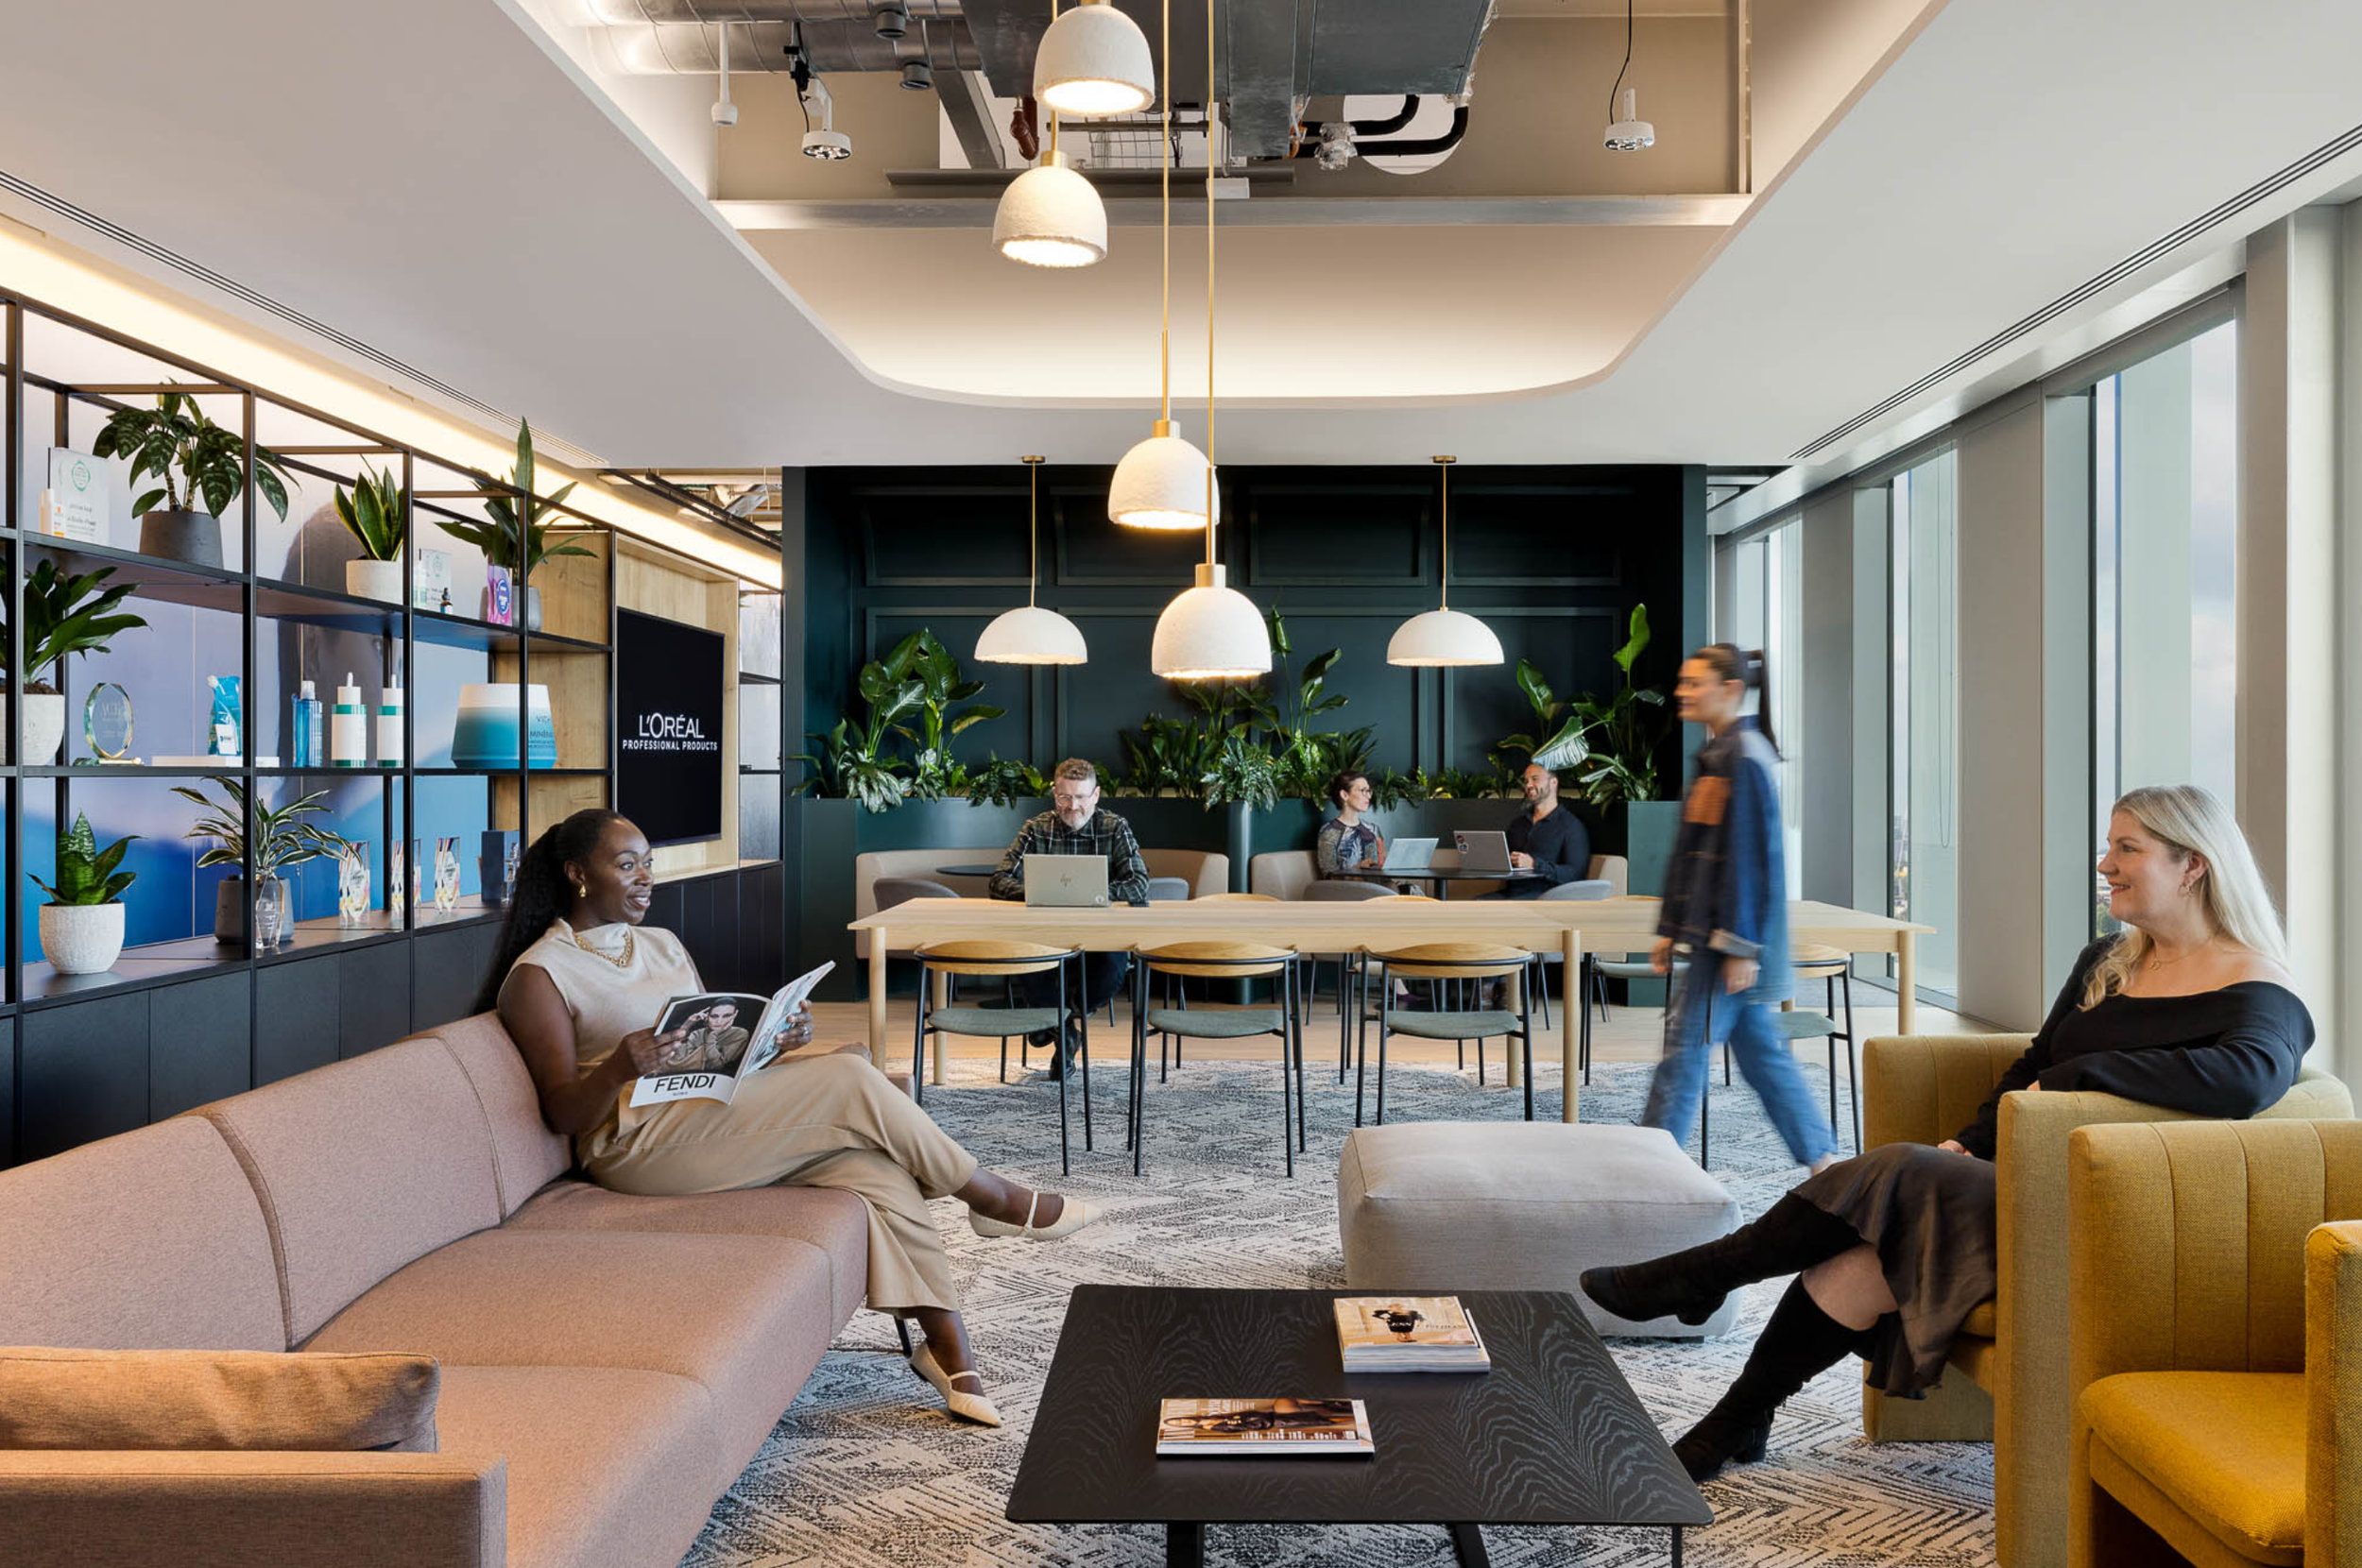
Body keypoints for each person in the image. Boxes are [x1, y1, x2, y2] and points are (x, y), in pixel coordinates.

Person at [1583, 783, 2311, 1482]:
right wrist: (1970, 1142)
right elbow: (2033, 1063)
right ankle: (1735, 1418)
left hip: (2108, 1212)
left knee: (1899, 1169)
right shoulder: (2109, 962)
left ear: (2192, 866)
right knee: (1861, 1257)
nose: (2104, 863)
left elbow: (2249, 1077)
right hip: (2020, 1180)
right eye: (2108, 845)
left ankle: (1705, 1277)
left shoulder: (2254, 982)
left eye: (2128, 848)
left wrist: (2077, 1079)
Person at [484, 809, 1102, 1430]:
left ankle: (948, 1350)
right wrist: (619, 1067)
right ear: (578, 874)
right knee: (849, 1074)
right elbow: (562, 1112)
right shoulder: (541, 974)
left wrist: (775, 1044)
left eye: (649, 863)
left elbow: (713, 1060)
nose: (646, 878)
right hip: (636, 1146)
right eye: (627, 865)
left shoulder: (660, 944)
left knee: (871, 1165)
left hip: (706, 1116)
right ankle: (992, 1197)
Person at [1637, 645, 1840, 1176]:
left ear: (1729, 689)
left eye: (1694, 683)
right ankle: (1825, 1162)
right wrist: (1670, 929)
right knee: (1761, 1055)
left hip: (1726, 941)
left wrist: (1740, 947)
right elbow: (1695, 853)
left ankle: (1653, 1170)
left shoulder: (1744, 757)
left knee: (1684, 1053)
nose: (1681, 692)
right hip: (1716, 936)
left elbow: (1753, 861)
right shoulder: (1720, 752)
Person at [987, 758, 1149, 1077]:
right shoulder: (1036, 828)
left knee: (1112, 968)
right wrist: (1037, 892)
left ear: (1096, 795)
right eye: (1065, 797)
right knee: (1028, 959)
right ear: (1055, 794)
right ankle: (1064, 1030)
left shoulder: (1115, 827)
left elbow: (1140, 884)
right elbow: (998, 881)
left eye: (1081, 797)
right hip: (1044, 938)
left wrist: (1093, 893)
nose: (1073, 806)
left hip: (1101, 941)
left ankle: (1054, 1021)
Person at [1499, 760, 1591, 896]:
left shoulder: (1571, 826)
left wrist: (1534, 864)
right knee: (1477, 902)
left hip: (1546, 897)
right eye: (1526, 781)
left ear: (1553, 782)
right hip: (1512, 894)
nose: (1528, 785)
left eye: (1535, 779)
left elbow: (1575, 874)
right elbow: (1503, 864)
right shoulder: (1518, 824)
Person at [1316, 770, 1386, 878]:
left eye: (1369, 791)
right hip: (1348, 887)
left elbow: (1384, 868)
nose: (1369, 796)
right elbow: (1330, 876)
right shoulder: (1329, 831)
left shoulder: (1374, 829)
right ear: (1344, 795)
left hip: (1378, 884)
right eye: (1363, 790)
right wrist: (1358, 868)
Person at [665, 999, 747, 1072]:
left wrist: (713, 1035)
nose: (719, 1021)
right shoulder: (697, 1034)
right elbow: (677, 1062)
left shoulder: (739, 1034)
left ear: (735, 1014)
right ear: (707, 1016)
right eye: (714, 1016)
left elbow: (715, 1065)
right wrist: (685, 1027)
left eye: (726, 1016)